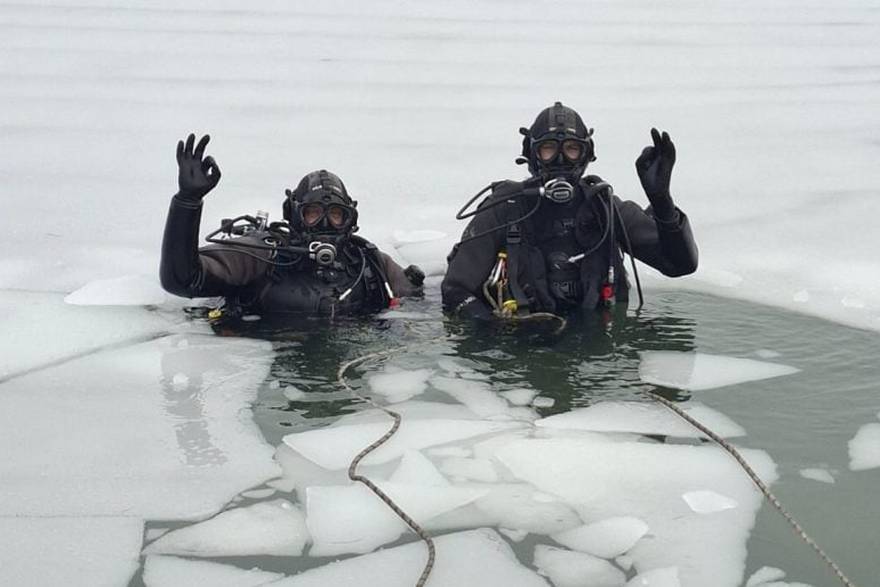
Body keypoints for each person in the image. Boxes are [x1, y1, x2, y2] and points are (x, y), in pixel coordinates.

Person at [441, 102, 698, 319]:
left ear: (587, 155)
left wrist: (662, 202)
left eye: (572, 149)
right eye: (549, 149)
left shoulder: (604, 208)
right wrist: (497, 331)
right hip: (524, 350)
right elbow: (456, 289)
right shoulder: (505, 207)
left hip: (598, 356)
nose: (561, 160)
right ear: (531, 155)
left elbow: (680, 265)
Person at [160, 134, 424, 321]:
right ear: (293, 215)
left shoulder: (368, 263)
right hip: (274, 374)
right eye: (312, 214)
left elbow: (421, 304)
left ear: (350, 220)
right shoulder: (263, 254)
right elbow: (183, 280)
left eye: (335, 215)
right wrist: (188, 202)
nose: (324, 224)